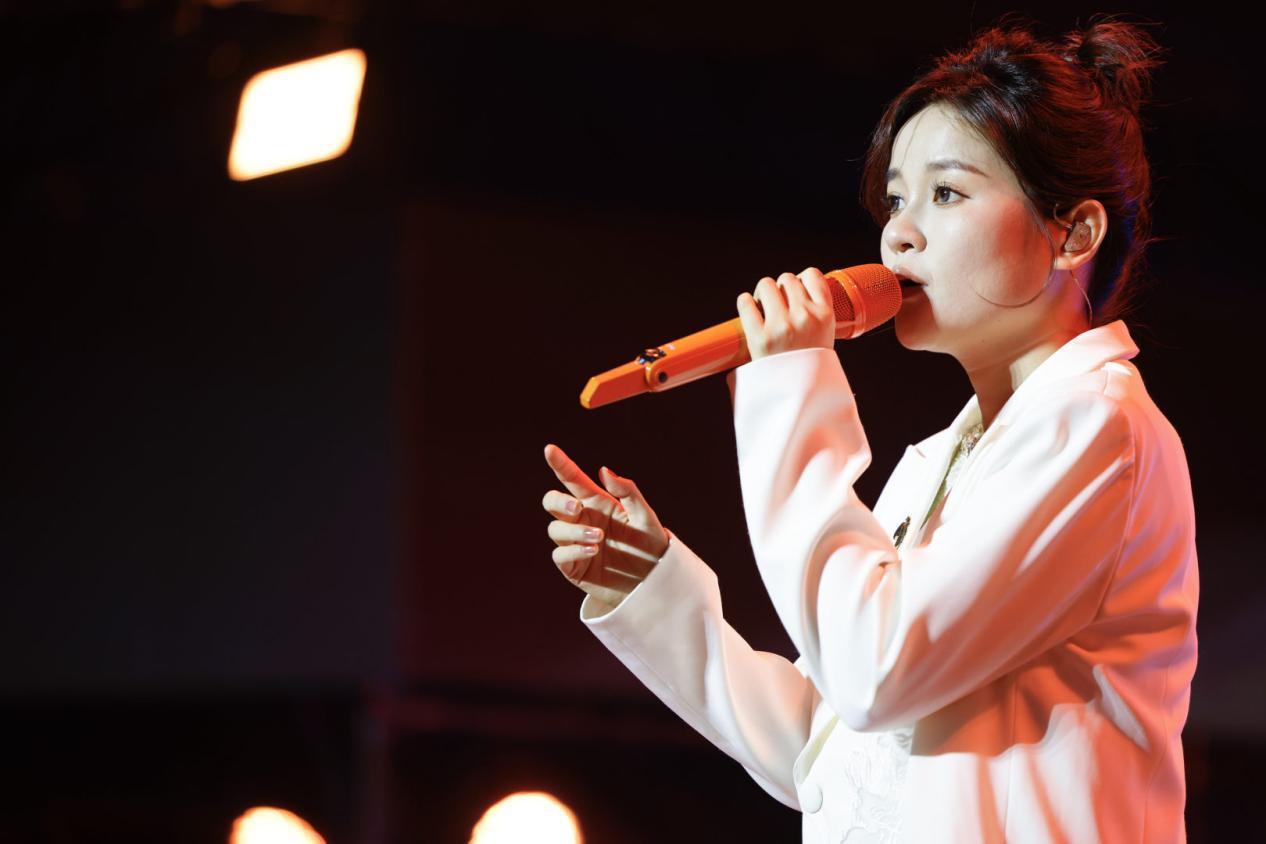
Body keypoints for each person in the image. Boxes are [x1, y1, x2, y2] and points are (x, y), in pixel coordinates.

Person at [541, 16, 1197, 844]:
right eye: (895, 199)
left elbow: (876, 670)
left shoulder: (1096, 425)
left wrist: (791, 388)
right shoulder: (947, 459)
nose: (898, 234)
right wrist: (656, 592)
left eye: (946, 194)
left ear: (1073, 234)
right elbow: (826, 753)